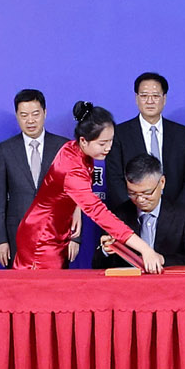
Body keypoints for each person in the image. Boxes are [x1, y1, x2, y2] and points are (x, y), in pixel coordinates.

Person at [15, 103, 165, 273]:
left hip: (56, 230)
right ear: (83, 141)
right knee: (43, 286)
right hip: (41, 236)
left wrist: (76, 207)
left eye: (110, 141)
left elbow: (70, 189)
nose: (108, 148)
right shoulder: (72, 169)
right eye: (102, 143)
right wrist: (145, 249)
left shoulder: (76, 150)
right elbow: (98, 212)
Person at [0, 89, 71, 267]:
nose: (30, 120)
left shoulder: (63, 147)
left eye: (35, 114)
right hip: (17, 235)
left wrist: (75, 238)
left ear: (45, 112)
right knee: (19, 284)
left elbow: (74, 194)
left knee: (56, 283)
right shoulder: (5, 150)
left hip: (56, 235)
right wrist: (0, 240)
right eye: (24, 115)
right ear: (17, 116)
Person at [105, 72, 185, 217]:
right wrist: (133, 209)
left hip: (174, 216)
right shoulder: (119, 134)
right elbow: (114, 177)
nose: (150, 101)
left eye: (155, 96)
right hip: (131, 216)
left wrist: (177, 211)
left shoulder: (182, 134)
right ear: (136, 98)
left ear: (164, 98)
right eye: (144, 96)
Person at [94, 154, 185, 268]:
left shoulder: (182, 215)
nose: (140, 200)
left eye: (147, 193)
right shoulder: (118, 215)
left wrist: (162, 259)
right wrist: (105, 251)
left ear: (162, 182)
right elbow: (97, 265)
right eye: (132, 193)